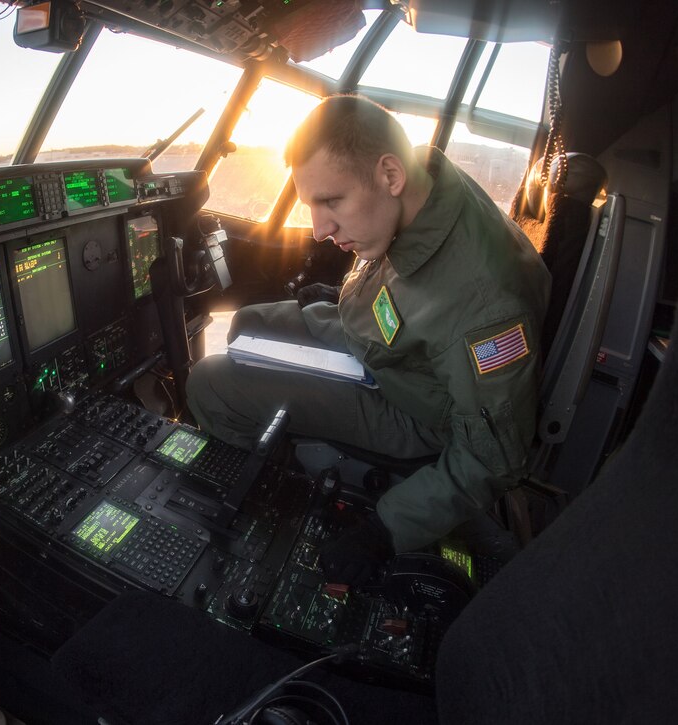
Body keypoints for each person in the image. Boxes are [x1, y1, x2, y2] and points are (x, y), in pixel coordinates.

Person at [186, 95, 551, 585]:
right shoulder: (425, 183)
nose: (319, 229)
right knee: (246, 323)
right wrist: (341, 297)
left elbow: (494, 456)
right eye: (312, 204)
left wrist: (385, 528)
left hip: (409, 403)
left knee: (209, 382)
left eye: (331, 201)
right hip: (387, 343)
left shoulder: (485, 308)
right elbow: (409, 277)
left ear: (390, 175)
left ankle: (279, 496)